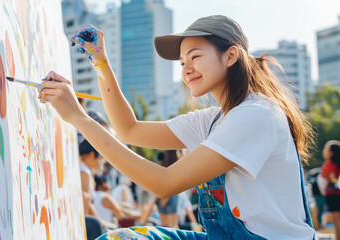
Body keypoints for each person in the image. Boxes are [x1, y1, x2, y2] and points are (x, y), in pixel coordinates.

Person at [38, 15, 315, 239]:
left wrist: (79, 119)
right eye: (182, 62)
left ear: (230, 56)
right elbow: (128, 130)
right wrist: (100, 61)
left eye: (195, 57)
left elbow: (165, 183)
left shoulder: (255, 115)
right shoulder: (214, 119)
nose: (186, 69)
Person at [79, 139, 105, 239]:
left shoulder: (85, 170)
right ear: (91, 154)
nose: (99, 160)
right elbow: (86, 199)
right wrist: (99, 220)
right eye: (99, 156)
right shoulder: (84, 171)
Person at [321, 141, 340, 239]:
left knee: (337, 223)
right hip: (336, 195)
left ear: (331, 153)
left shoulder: (329, 164)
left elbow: (333, 179)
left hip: (333, 195)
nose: (324, 151)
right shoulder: (335, 163)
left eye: (326, 149)